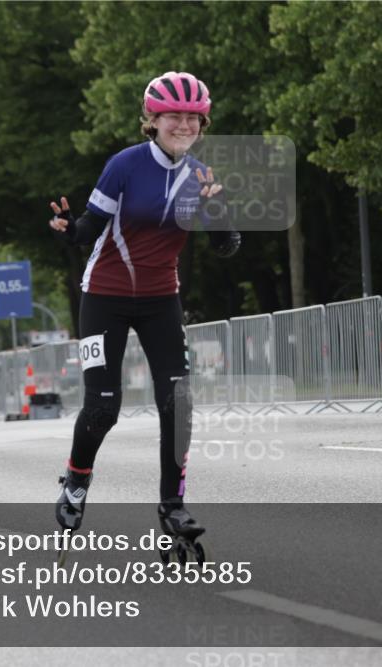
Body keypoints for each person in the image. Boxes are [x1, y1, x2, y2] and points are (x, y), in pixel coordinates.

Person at [48, 71, 240, 547]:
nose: (184, 124)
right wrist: (71, 229)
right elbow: (92, 226)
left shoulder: (200, 176)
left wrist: (220, 219)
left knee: (179, 404)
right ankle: (76, 479)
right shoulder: (125, 165)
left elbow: (225, 246)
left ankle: (173, 506)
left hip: (159, 300)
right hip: (104, 297)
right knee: (103, 408)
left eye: (193, 118)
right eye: (173, 116)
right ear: (151, 120)